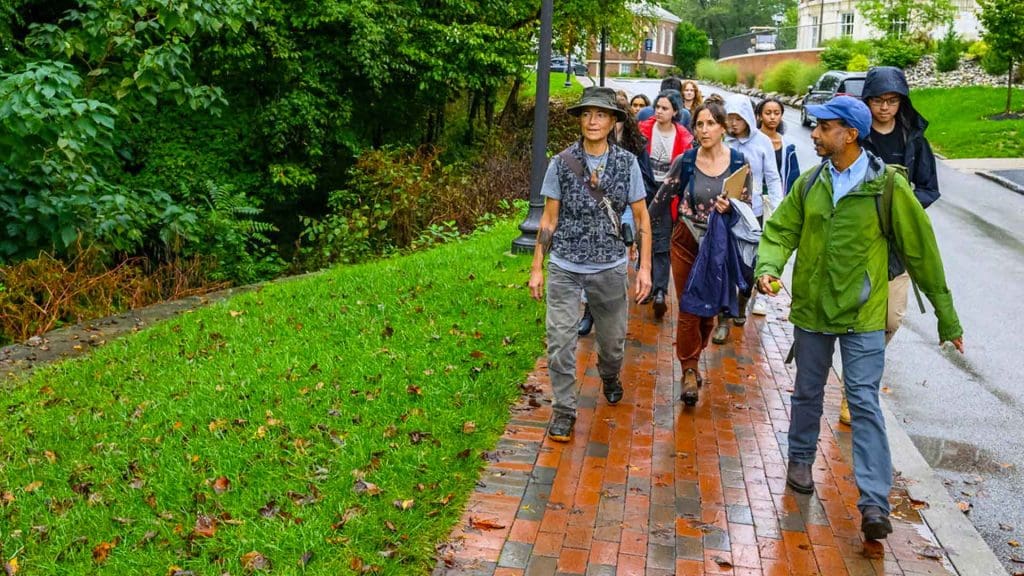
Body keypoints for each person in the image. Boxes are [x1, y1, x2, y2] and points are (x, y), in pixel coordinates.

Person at [755, 95, 963, 542]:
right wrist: (768, 268)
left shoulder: (886, 187)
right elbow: (782, 229)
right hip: (812, 309)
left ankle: (873, 502)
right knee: (807, 391)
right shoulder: (811, 182)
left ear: (849, 134)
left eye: (824, 127)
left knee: (864, 402)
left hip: (863, 315)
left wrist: (947, 318)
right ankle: (800, 459)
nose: (814, 133)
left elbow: (921, 252)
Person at [529, 86, 653, 443]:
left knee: (612, 344)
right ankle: (564, 410)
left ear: (613, 121)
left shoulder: (627, 164)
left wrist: (644, 268)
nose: (592, 121)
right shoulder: (561, 163)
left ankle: (610, 374)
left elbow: (642, 218)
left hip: (610, 265)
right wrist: (538, 267)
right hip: (566, 264)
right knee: (559, 342)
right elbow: (548, 220)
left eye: (600, 114)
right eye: (586, 114)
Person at [833, 66, 942, 425]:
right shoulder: (855, 138)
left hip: (897, 248)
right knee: (855, 317)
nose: (884, 108)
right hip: (859, 243)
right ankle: (856, 390)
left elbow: (929, 187)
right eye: (878, 100)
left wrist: (904, 205)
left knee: (891, 319)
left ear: (901, 103)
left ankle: (860, 380)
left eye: (892, 101)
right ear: (868, 101)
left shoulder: (914, 142)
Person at [650, 100, 751, 406]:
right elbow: (661, 199)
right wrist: (647, 240)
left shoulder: (738, 163)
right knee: (689, 307)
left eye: (711, 123)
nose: (704, 130)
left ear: (723, 127)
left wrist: (730, 208)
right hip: (686, 241)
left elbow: (745, 211)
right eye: (699, 124)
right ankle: (689, 370)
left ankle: (695, 353)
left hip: (719, 246)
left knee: (709, 312)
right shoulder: (687, 160)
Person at [579, 105, 657, 336]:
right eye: (591, 115)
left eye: (603, 115)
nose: (595, 121)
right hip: (595, 207)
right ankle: (589, 311)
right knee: (590, 257)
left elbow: (645, 181)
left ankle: (609, 311)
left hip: (624, 206)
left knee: (617, 254)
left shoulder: (635, 146)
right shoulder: (587, 145)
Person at [719, 94, 783, 340]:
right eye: (730, 118)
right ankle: (723, 316)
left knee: (748, 266)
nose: (733, 123)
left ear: (747, 118)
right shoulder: (724, 140)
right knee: (723, 261)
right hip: (727, 210)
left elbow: (773, 177)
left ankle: (742, 302)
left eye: (738, 118)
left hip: (753, 213)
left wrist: (777, 209)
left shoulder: (762, 142)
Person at [639, 91, 694, 319]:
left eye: (664, 108)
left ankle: (660, 289)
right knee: (644, 237)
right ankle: (649, 282)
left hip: (667, 195)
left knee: (661, 239)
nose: (659, 112)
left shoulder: (682, 137)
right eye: (657, 107)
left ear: (675, 112)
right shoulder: (643, 130)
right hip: (644, 190)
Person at [755, 97, 800, 196]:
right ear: (760, 116)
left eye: (776, 113)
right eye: (768, 113)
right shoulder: (751, 142)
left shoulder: (788, 146)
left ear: (781, 116)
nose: (772, 117)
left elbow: (794, 177)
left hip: (778, 196)